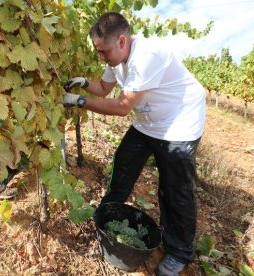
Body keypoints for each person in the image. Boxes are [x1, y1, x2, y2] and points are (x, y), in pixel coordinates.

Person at [62, 12, 206, 276]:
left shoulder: (147, 56)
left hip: (180, 122)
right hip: (149, 121)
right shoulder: (116, 57)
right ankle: (105, 217)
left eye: (103, 51)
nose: (101, 57)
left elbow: (122, 106)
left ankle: (180, 251)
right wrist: (83, 83)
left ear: (121, 41)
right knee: (123, 164)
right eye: (98, 52)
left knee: (175, 190)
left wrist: (79, 101)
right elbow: (104, 89)